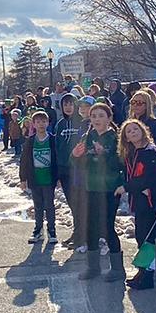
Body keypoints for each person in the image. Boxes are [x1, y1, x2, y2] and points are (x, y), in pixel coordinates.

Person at [71, 103, 124, 281]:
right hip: (90, 187)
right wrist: (75, 155)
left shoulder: (115, 138)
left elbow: (120, 164)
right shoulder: (88, 136)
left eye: (101, 116)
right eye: (93, 116)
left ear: (109, 119)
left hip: (109, 188)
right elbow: (78, 163)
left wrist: (104, 155)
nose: (97, 119)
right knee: (90, 227)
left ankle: (117, 269)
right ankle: (93, 267)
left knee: (107, 227)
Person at [115, 119, 156, 290]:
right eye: (129, 131)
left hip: (149, 201)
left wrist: (127, 187)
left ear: (143, 131)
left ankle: (148, 275)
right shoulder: (132, 153)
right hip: (138, 201)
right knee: (141, 236)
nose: (133, 132)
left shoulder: (151, 152)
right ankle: (143, 271)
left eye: (136, 129)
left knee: (148, 238)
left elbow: (150, 178)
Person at [20, 111, 59, 244]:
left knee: (49, 205)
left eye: (44, 121)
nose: (41, 124)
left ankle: (52, 230)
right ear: (34, 124)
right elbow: (24, 161)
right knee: (38, 206)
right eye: (38, 122)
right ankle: (38, 230)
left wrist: (58, 177)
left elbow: (57, 159)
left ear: (48, 123)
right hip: (35, 179)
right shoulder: (30, 141)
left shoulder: (53, 140)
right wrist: (23, 179)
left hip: (49, 179)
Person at [66, 95, 96, 252]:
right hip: (79, 170)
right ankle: (79, 235)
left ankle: (86, 238)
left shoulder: (93, 125)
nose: (82, 109)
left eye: (86, 106)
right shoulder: (81, 125)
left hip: (89, 173)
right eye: (81, 106)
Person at [54, 94, 82, 246]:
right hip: (65, 169)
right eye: (65, 104)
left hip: (79, 170)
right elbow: (58, 147)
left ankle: (82, 235)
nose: (68, 107)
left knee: (80, 203)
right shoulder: (60, 124)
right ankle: (77, 232)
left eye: (71, 104)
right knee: (72, 203)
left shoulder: (83, 122)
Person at [127, 89, 156, 156]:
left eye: (139, 103)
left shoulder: (155, 124)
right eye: (133, 102)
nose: (135, 105)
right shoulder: (128, 124)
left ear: (147, 105)